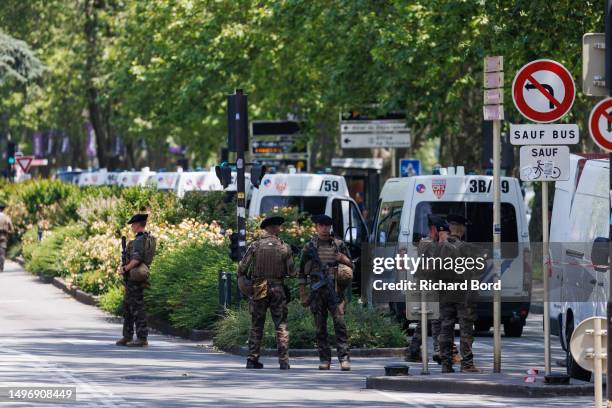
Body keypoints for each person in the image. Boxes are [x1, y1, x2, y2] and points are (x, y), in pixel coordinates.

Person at [237, 215, 295, 370]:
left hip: (259, 288)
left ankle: (252, 359)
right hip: (277, 289)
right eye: (278, 226)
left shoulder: (255, 246)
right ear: (273, 228)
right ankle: (284, 361)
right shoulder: (284, 247)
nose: (280, 229)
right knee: (281, 325)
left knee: (257, 325)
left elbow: (242, 269)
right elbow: (292, 271)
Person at [299, 214, 353, 371]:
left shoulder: (338, 245)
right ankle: (324, 359)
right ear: (316, 227)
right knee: (319, 327)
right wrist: (303, 294)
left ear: (330, 227)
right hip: (317, 292)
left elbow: (351, 267)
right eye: (321, 226)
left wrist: (342, 258)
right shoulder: (309, 247)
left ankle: (344, 358)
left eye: (327, 226)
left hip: (335, 291)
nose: (324, 229)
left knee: (340, 325)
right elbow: (302, 272)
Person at [438, 214, 480, 373]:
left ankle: (446, 364)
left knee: (446, 328)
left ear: (450, 228)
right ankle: (467, 364)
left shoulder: (438, 247)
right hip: (463, 295)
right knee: (466, 329)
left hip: (445, 294)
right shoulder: (467, 248)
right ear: (461, 228)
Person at [406, 214, 447, 363]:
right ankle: (437, 349)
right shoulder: (426, 243)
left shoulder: (433, 243)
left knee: (426, 320)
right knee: (435, 318)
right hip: (427, 285)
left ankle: (413, 350)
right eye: (441, 230)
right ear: (435, 229)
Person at [116, 213, 156, 348]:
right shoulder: (146, 238)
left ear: (138, 225)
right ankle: (127, 336)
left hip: (134, 277)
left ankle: (141, 338)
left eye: (133, 224)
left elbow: (137, 259)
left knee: (137, 308)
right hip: (135, 276)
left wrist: (125, 268)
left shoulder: (139, 240)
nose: (132, 226)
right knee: (128, 306)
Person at [0, 202, 13, 272]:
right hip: (3, 237)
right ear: (3, 209)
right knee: (2, 254)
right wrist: (7, 232)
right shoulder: (6, 218)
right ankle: (1, 267)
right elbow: (11, 229)